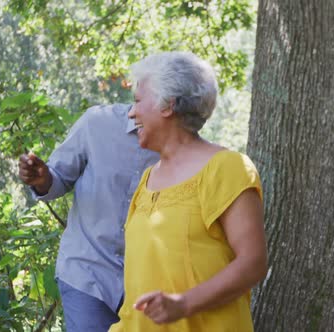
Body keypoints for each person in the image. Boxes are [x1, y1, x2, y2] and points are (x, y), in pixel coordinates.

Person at [109, 51, 268, 332]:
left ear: (167, 105)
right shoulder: (148, 178)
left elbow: (253, 263)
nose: (131, 112)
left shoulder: (227, 168)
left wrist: (183, 303)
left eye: (137, 101)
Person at [18, 102, 159, 331]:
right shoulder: (97, 122)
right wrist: (41, 179)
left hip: (147, 283)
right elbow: (58, 177)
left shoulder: (178, 145)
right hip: (87, 272)